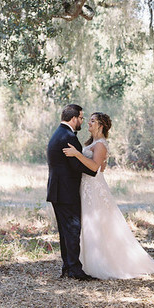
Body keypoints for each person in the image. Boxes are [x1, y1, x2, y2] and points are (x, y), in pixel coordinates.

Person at [63, 112, 154, 279]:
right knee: (90, 222)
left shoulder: (100, 145)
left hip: (94, 188)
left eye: (92, 121)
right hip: (87, 187)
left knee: (97, 222)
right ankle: (85, 262)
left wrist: (77, 154)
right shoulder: (92, 143)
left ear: (100, 125)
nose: (88, 123)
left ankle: (101, 263)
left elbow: (95, 168)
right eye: (89, 120)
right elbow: (102, 168)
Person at [46, 104, 97, 280]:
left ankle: (67, 267)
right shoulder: (69, 137)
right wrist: (94, 170)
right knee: (73, 230)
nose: (82, 121)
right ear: (74, 118)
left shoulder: (57, 134)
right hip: (67, 192)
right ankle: (75, 270)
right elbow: (75, 165)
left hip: (56, 190)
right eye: (81, 118)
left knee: (65, 231)